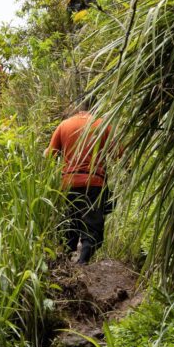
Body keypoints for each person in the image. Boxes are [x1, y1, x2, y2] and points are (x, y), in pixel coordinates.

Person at [45, 98, 117, 264]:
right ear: (96, 107)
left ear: (78, 109)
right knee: (92, 225)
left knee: (70, 222)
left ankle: (65, 262)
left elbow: (49, 155)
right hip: (94, 183)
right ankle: (83, 262)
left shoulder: (64, 125)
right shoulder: (103, 124)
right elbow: (118, 153)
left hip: (68, 183)